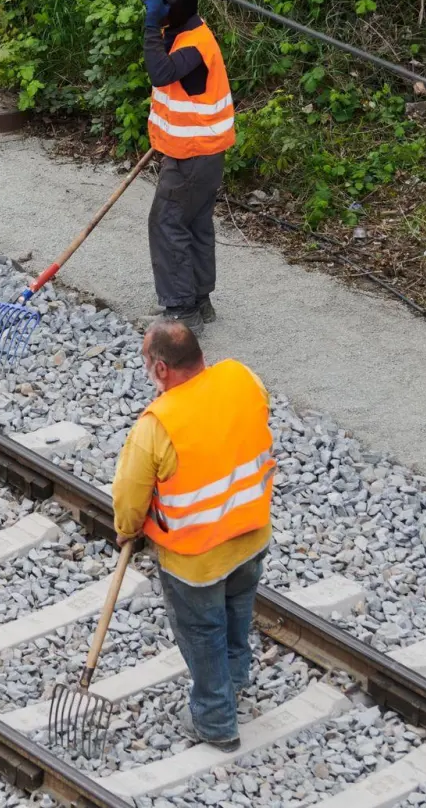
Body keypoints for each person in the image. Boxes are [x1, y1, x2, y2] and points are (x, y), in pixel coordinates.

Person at [112, 320, 273, 752]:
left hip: (195, 559)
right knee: (237, 613)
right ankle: (235, 677)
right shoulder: (243, 378)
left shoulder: (157, 425)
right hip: (252, 535)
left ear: (161, 368)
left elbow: (130, 497)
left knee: (203, 634)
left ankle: (215, 719)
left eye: (147, 362)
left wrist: (127, 531)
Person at [142, 0, 236, 335]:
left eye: (157, 7)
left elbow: (160, 72)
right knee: (194, 224)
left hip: (192, 156)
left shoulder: (195, 46)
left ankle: (182, 312)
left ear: (174, 11)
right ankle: (199, 301)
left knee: (167, 224)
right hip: (203, 153)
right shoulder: (188, 32)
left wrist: (151, 26)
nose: (150, 12)